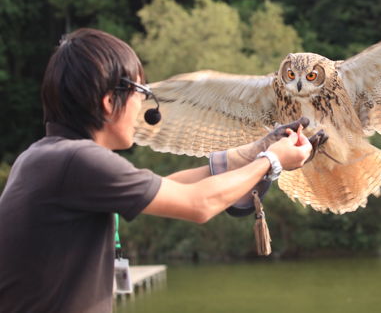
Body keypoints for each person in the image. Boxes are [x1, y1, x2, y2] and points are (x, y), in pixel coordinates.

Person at [0, 28, 314, 312]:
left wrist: (253, 152)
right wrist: (271, 161)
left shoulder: (46, 158)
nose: (142, 106)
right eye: (141, 93)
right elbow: (198, 204)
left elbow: (167, 188)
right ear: (110, 102)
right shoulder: (76, 160)